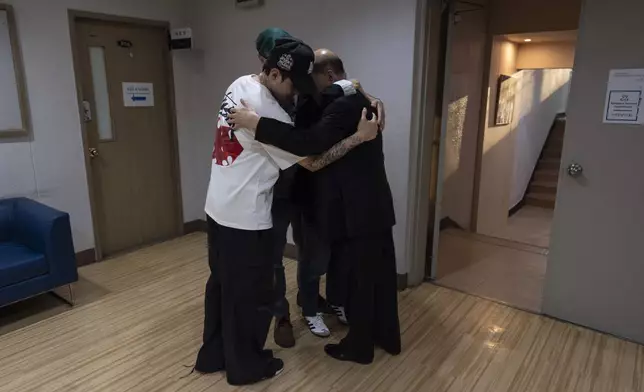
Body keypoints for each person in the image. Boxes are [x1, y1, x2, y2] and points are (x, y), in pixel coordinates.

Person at [195, 38, 379, 385]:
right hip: (246, 220)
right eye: (294, 84)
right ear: (276, 73)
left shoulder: (240, 84)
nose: (297, 94)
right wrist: (359, 137)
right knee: (251, 297)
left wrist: (358, 89)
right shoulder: (271, 115)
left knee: (220, 287)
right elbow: (313, 160)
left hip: (217, 208)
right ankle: (246, 366)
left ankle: (213, 355)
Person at [229, 49, 401, 365]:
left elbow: (310, 150)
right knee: (293, 260)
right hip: (289, 194)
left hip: (338, 202)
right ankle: (299, 315)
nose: (301, 86)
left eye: (309, 79)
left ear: (328, 76)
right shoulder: (320, 97)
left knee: (339, 265)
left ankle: (351, 327)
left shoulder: (340, 100)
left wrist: (256, 124)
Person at [254, 28, 374, 346]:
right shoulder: (257, 96)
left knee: (323, 253)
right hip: (282, 191)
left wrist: (364, 94)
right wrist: (357, 137)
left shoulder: (305, 88)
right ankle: (287, 315)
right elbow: (307, 152)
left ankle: (315, 301)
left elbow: (342, 95)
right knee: (285, 257)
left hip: (315, 191)